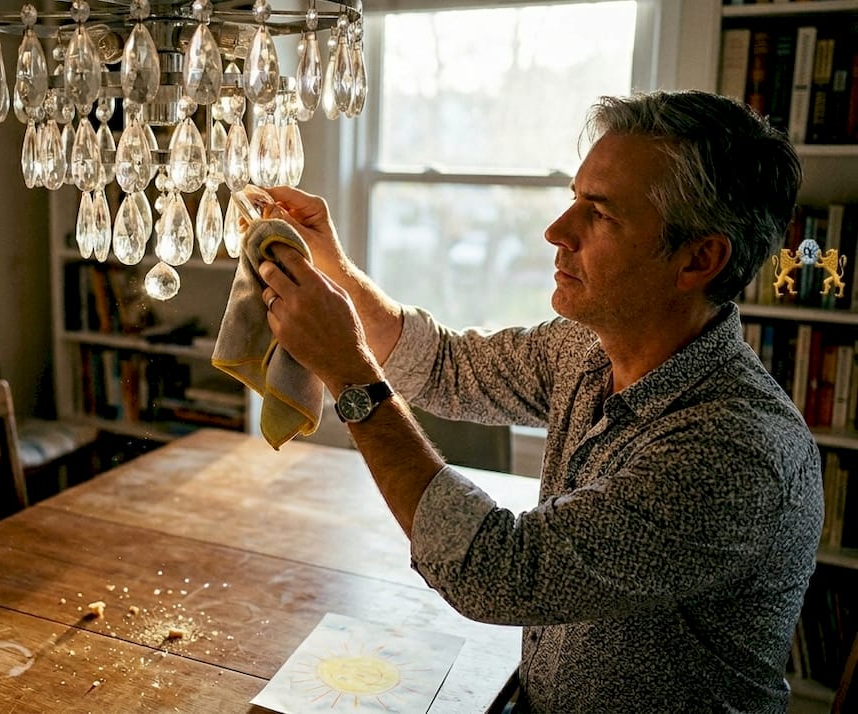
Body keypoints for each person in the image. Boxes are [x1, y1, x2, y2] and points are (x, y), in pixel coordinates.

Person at [253, 90, 821, 712]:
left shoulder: (733, 453)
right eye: (575, 198)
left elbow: (498, 572)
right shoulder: (588, 348)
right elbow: (445, 365)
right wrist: (334, 266)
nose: (557, 230)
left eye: (600, 214)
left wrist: (349, 373)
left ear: (699, 259)